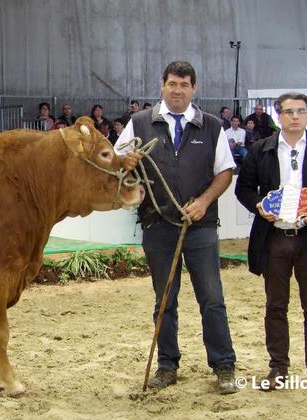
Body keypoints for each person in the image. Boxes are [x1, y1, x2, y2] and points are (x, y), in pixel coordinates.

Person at [116, 60, 238, 394]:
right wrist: (125, 162)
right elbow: (118, 161)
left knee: (211, 297)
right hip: (159, 225)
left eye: (184, 85)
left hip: (200, 227)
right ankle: (167, 365)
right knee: (164, 298)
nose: (178, 90)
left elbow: (224, 172)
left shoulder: (211, 126)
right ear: (162, 85)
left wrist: (203, 202)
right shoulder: (140, 123)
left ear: (194, 88)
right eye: (172, 84)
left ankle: (224, 364)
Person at [235, 92, 307, 398]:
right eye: (289, 111)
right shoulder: (260, 149)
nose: (295, 116)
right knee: (275, 306)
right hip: (274, 238)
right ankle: (278, 369)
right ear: (278, 116)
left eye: (300, 111)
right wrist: (258, 205)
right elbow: (243, 188)